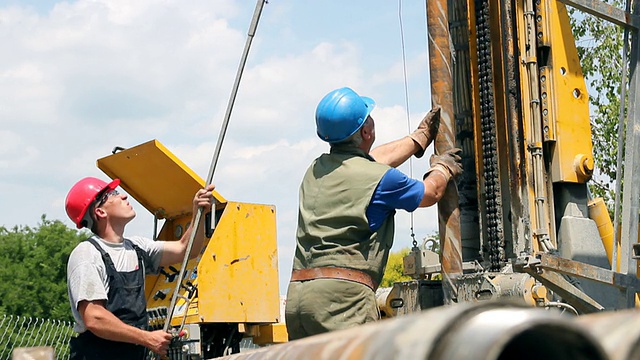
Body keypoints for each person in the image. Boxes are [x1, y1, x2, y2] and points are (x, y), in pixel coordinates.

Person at [284, 87, 463, 340]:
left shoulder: (316, 170)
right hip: (342, 302)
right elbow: (431, 193)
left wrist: (418, 139)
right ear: (366, 132)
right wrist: (443, 168)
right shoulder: (381, 180)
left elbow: (370, 161)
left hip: (299, 298)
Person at [64, 176, 215, 359]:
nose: (124, 197)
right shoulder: (87, 255)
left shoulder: (137, 248)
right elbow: (94, 317)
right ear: (100, 212)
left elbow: (185, 249)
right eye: (113, 194)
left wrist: (199, 212)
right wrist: (147, 338)